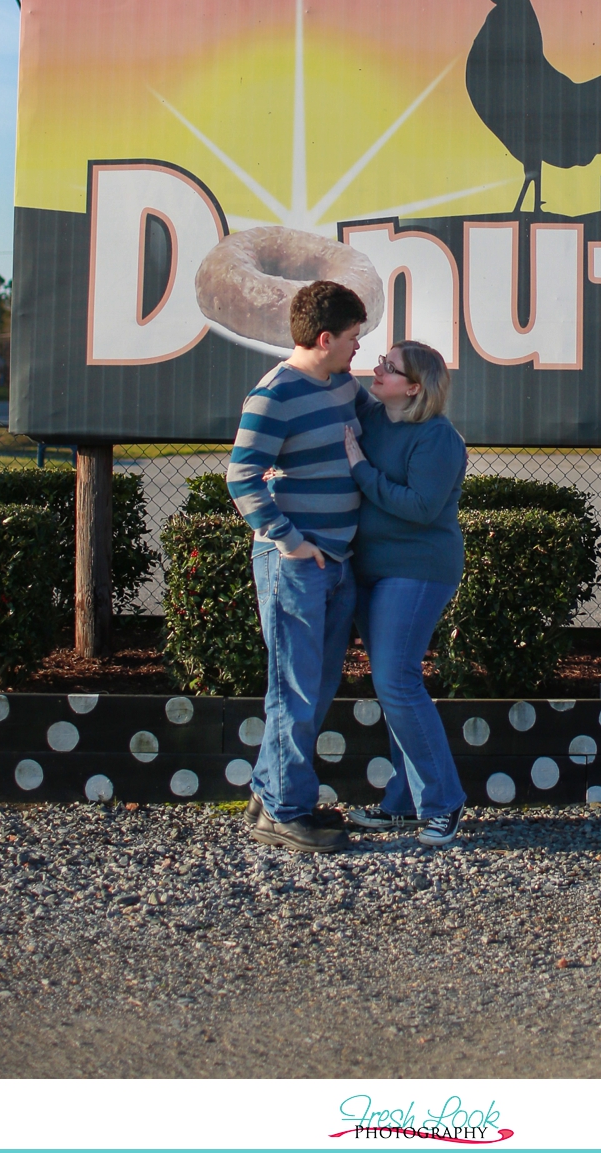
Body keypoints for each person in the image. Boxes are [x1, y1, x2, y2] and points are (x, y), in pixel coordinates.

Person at [227, 280, 366, 854]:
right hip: (298, 565)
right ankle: (286, 812)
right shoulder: (274, 394)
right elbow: (241, 478)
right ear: (326, 338)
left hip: (336, 563)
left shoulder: (343, 386)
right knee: (295, 690)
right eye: (355, 337)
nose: (360, 347)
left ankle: (271, 790)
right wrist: (289, 542)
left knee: (315, 686)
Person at [343, 341, 468, 847]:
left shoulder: (438, 438)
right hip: (369, 570)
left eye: (388, 367)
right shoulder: (372, 417)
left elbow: (419, 507)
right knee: (390, 683)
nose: (376, 368)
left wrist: (359, 467)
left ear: (413, 387)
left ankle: (443, 804)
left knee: (397, 680)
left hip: (417, 570)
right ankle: (404, 804)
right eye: (380, 361)